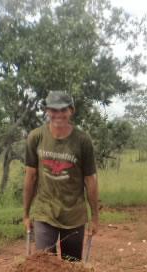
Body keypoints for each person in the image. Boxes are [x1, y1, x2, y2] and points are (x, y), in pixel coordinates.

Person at [23, 90, 99, 261]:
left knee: (71, 268)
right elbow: (30, 176)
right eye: (53, 110)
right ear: (47, 111)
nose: (58, 115)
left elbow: (90, 180)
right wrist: (26, 214)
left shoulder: (82, 140)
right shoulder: (36, 137)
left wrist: (95, 217)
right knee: (44, 265)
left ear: (71, 110)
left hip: (74, 214)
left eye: (63, 110)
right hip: (45, 212)